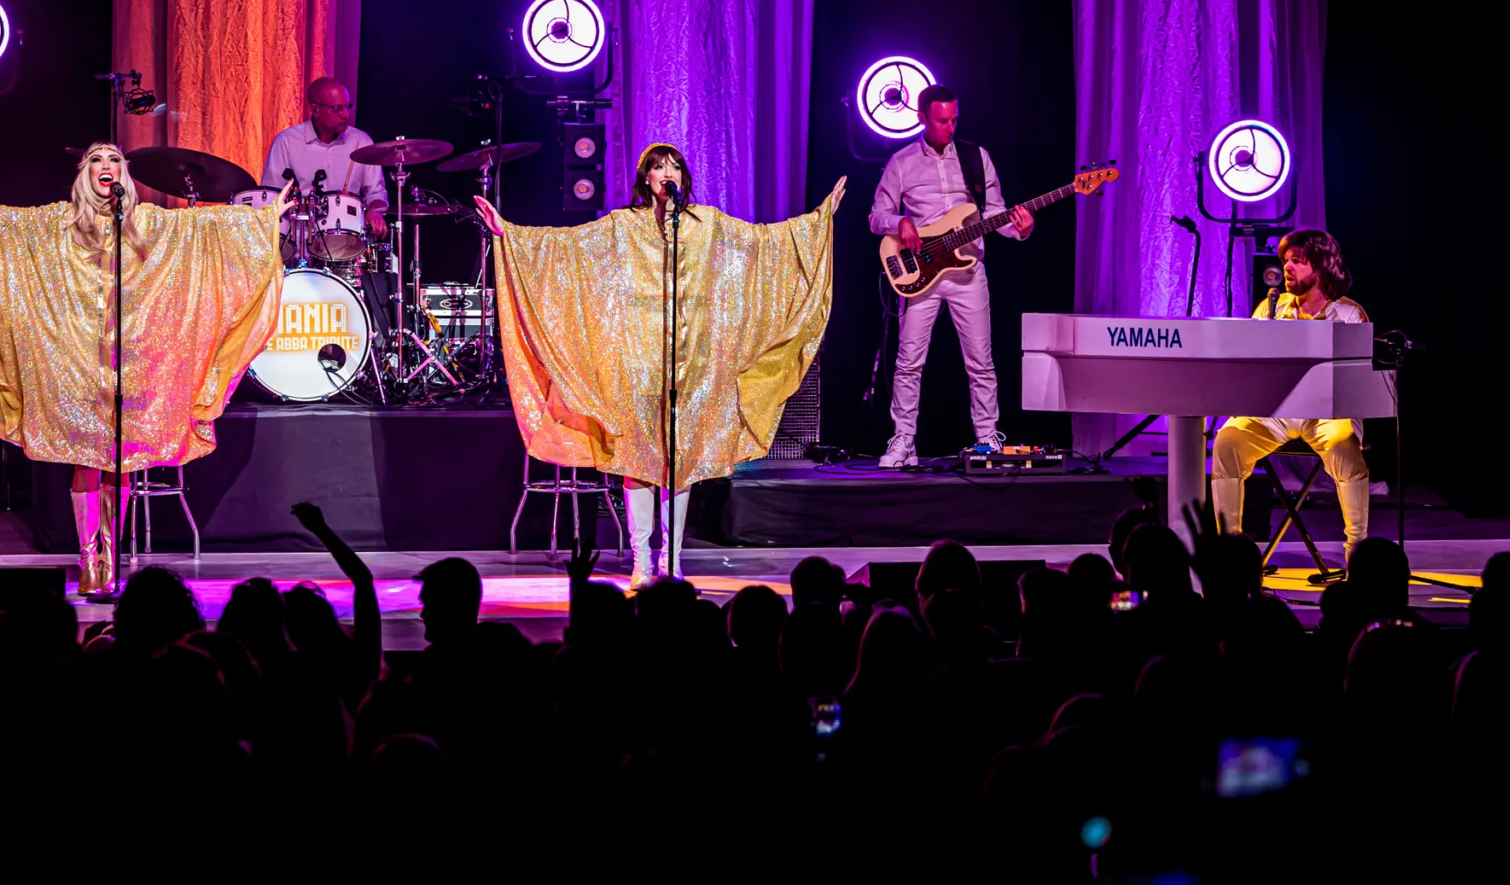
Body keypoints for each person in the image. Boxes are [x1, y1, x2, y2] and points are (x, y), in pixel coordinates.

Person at [0, 143, 289, 599]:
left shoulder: (146, 220)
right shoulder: (59, 219)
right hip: (77, 361)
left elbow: (201, 228)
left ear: (123, 174)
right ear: (84, 171)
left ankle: (109, 555)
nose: (106, 167)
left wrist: (259, 219)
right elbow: (2, 224)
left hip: (132, 359)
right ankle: (88, 553)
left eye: (114, 160)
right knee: (87, 460)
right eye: (97, 160)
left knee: (121, 460)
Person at [474, 144, 844, 587]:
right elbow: (564, 246)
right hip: (635, 359)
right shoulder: (622, 227)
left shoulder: (705, 224)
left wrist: (816, 223)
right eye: (657, 166)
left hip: (691, 361)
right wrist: (509, 233)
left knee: (679, 461)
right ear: (645, 178)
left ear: (682, 178)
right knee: (638, 460)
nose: (666, 172)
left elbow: (765, 243)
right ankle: (641, 560)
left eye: (673, 166)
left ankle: (672, 558)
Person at [866, 86, 1034, 467]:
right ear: (922, 118)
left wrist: (1019, 228)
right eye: (942, 120)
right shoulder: (902, 161)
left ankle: (987, 436)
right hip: (921, 271)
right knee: (909, 360)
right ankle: (903, 441)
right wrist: (901, 221)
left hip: (968, 271)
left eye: (954, 119)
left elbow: (996, 213)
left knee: (980, 361)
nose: (950, 127)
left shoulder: (976, 158)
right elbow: (876, 217)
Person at [1207, 229, 1375, 566]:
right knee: (1227, 442)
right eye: (1286, 260)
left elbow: (1358, 379)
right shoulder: (1272, 307)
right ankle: (1231, 556)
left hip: (1327, 413)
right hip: (1275, 412)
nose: (1287, 267)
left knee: (1344, 447)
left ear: (1321, 267)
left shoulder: (1349, 315)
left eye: (1297, 261)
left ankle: (1358, 556)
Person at [259, 77, 390, 242]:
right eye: (337, 109)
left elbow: (376, 192)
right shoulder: (286, 142)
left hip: (349, 240)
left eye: (347, 107)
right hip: (299, 238)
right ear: (315, 109)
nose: (345, 115)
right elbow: (272, 196)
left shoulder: (361, 142)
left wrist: (374, 211)